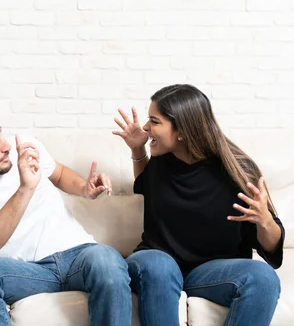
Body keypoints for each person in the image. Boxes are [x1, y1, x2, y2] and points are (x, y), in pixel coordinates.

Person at [0, 98, 132, 326]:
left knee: (106, 258)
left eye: (1, 135)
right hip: (25, 272)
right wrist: (26, 188)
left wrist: (85, 188)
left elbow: (60, 174)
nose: (6, 146)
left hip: (78, 255)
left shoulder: (23, 148)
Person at [113, 84, 284, 326]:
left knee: (264, 278)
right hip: (156, 264)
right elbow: (144, 186)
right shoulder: (161, 162)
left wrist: (264, 220)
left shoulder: (239, 171)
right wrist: (137, 148)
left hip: (210, 273)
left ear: (182, 130)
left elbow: (273, 251)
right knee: (160, 266)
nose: (145, 127)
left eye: (154, 121)